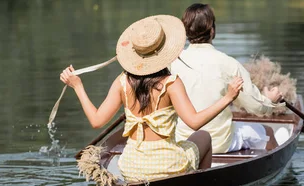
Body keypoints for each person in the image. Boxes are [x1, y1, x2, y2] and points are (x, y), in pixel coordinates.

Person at [59, 15, 243, 182]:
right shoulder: (171, 83)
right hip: (168, 167)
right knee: (204, 136)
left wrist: (78, 86)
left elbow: (96, 121)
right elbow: (194, 122)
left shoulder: (122, 82)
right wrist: (228, 97)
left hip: (132, 167)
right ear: (164, 50)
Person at [171, 3, 283, 154]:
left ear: (185, 31)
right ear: (212, 31)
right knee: (268, 132)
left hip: (182, 141)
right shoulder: (229, 64)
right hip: (219, 143)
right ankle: (274, 174)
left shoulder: (173, 63)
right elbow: (256, 107)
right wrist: (269, 100)